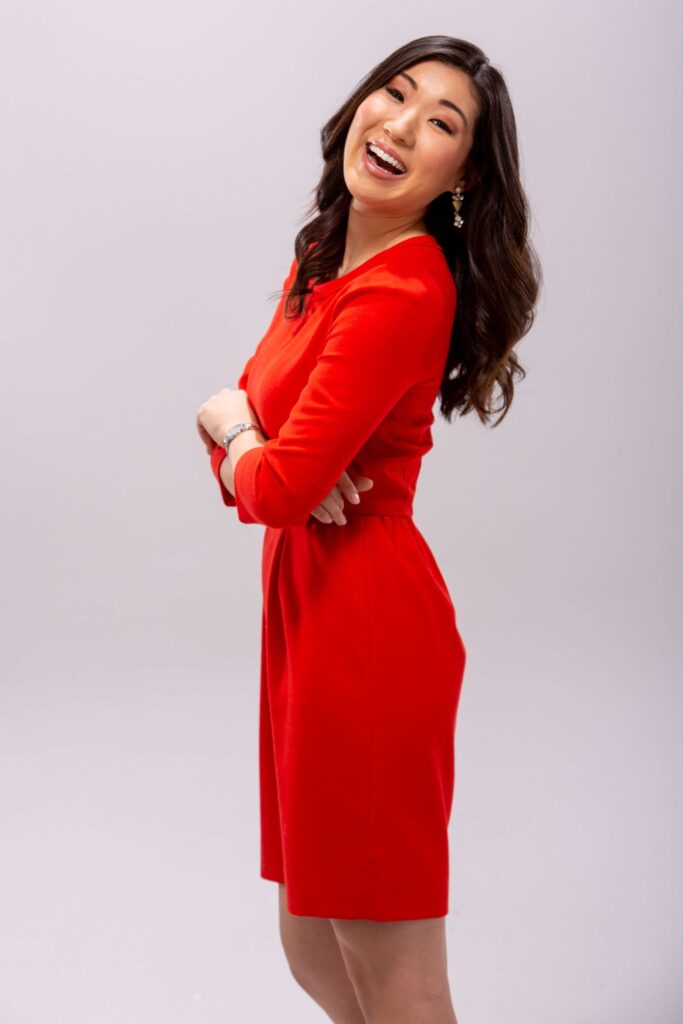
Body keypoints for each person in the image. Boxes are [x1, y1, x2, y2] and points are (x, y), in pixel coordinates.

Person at [196, 34, 541, 1024]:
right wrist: (256, 450)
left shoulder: (402, 288)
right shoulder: (320, 257)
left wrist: (232, 430)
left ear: (461, 176)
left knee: (396, 982)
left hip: (367, 633)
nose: (399, 125)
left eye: (441, 123)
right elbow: (267, 459)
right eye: (393, 94)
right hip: (306, 616)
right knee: (312, 949)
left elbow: (260, 458)